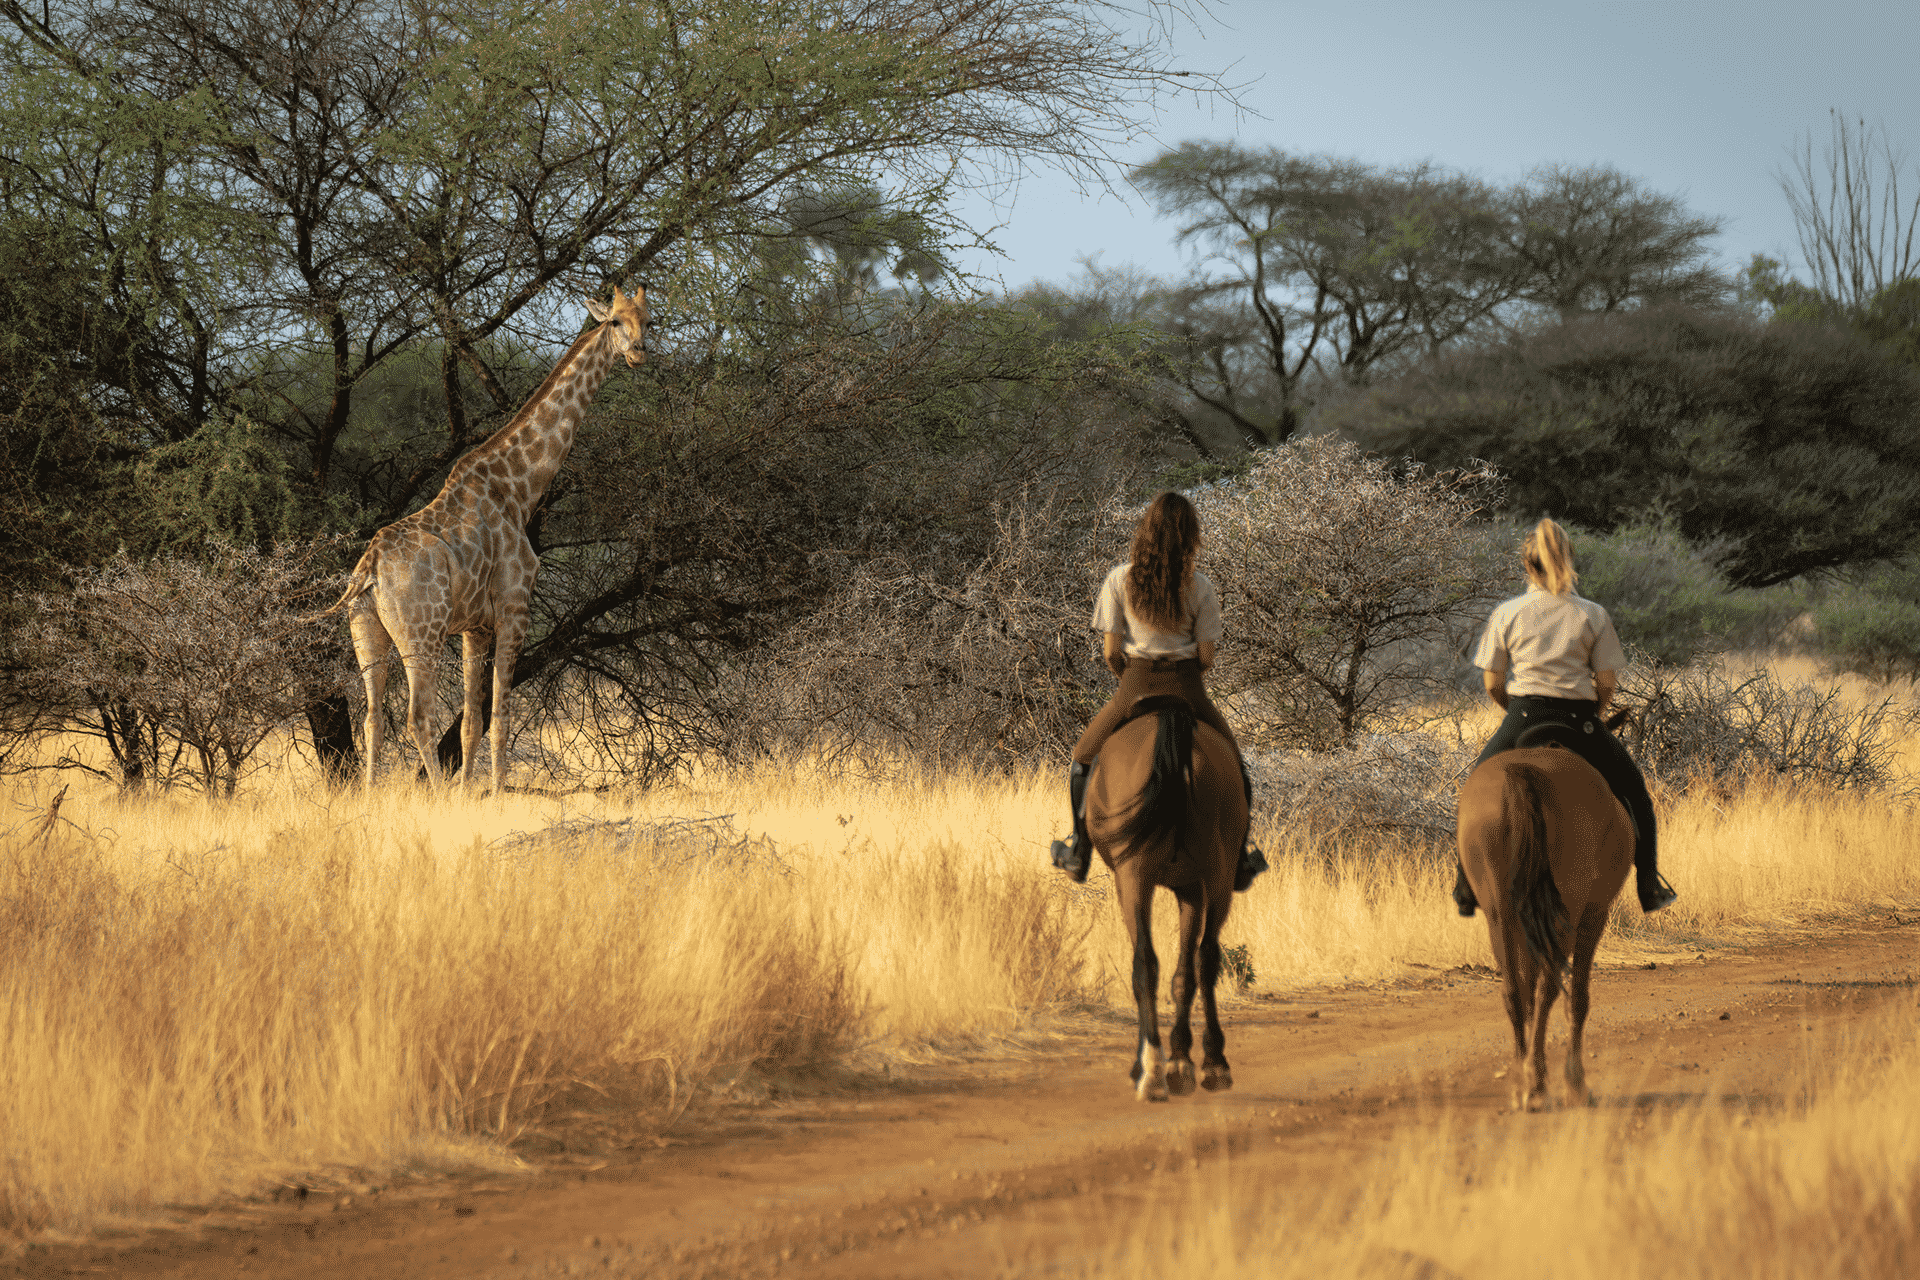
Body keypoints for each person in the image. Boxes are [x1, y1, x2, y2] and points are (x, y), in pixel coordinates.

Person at [1455, 518, 1678, 916]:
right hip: (1580, 720)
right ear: (1570, 560)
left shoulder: (1508, 613)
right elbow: (1606, 684)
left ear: (1528, 566)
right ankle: (1649, 886)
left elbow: (1492, 682)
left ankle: (1466, 887)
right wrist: (1594, 715)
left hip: (1523, 715)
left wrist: (1515, 714)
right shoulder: (1592, 614)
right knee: (1635, 793)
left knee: (1476, 787)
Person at [1050, 491, 1268, 890]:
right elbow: (1206, 658)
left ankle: (1078, 847)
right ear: (1192, 536)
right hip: (1188, 686)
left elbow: (1112, 652)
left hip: (1134, 684)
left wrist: (1131, 677)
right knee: (1235, 764)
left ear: (1145, 530)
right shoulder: (1201, 586)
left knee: (1083, 755)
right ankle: (1240, 858)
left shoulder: (1119, 579)